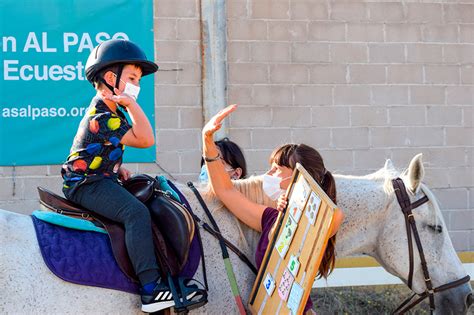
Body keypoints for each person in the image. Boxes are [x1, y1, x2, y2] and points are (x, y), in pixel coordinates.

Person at [61, 39, 176, 313]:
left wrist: (114, 167)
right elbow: (146, 139)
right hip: (86, 185)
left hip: (99, 177)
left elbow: (101, 148)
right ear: (111, 78)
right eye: (133, 77)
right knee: (135, 213)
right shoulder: (104, 114)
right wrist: (132, 105)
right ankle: (150, 289)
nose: (138, 84)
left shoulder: (113, 111)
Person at [202, 105, 344, 314]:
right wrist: (207, 140)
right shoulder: (270, 217)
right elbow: (225, 190)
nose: (268, 173)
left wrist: (296, 205)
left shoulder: (323, 217)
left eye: (277, 169)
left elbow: (333, 217)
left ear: (299, 177)